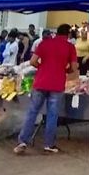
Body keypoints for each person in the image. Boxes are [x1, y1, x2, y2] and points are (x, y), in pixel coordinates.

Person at [14, 24, 77, 155]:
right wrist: (65, 69)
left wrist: (42, 67)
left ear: (56, 32)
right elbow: (73, 67)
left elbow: (32, 61)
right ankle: (49, 144)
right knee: (52, 115)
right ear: (68, 35)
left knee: (32, 112)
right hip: (57, 84)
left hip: (40, 81)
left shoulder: (44, 43)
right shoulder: (70, 47)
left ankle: (22, 141)